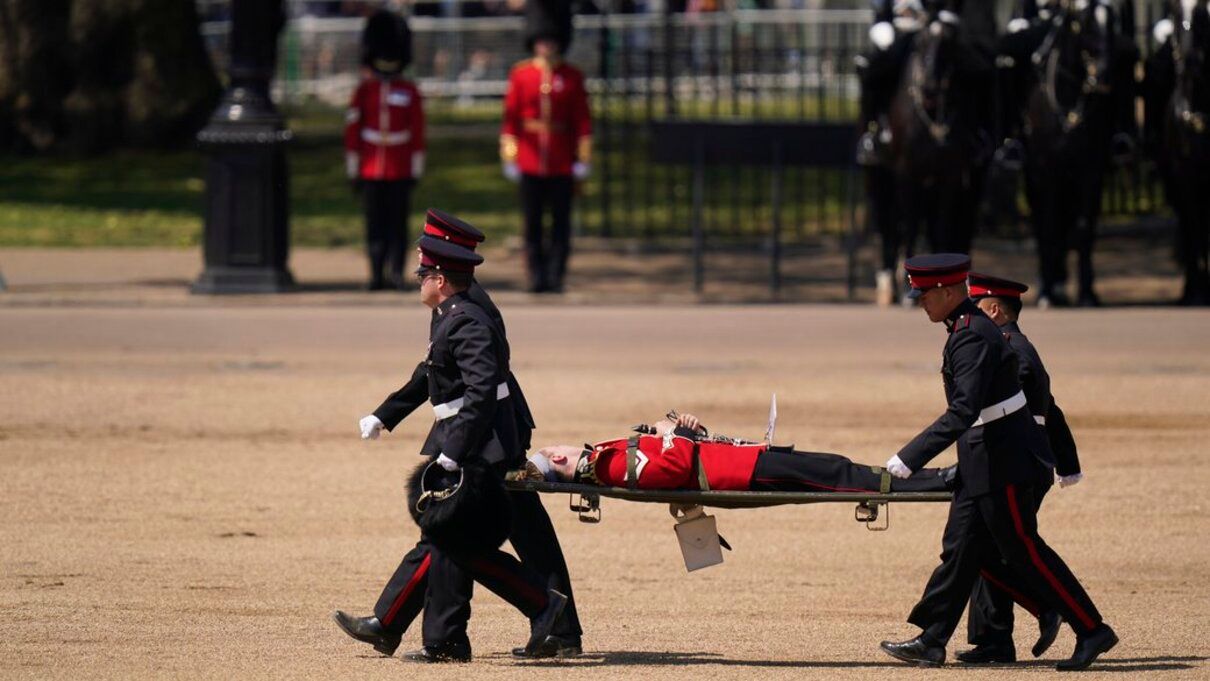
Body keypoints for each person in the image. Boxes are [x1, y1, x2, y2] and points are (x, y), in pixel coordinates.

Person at [342, 209, 585, 660]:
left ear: (440, 277)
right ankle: (552, 625)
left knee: (450, 537)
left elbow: (480, 391)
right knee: (508, 534)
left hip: (481, 439)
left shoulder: (467, 316)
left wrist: (453, 453)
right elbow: (432, 370)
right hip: (481, 434)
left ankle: (440, 634)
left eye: (422, 272)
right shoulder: (453, 308)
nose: (417, 278)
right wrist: (386, 414)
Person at [879, 254, 1116, 671]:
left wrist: (908, 458)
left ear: (950, 292)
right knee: (961, 550)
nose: (919, 303)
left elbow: (964, 410)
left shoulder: (971, 335)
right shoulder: (964, 328)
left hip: (1003, 460)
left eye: (925, 295)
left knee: (1023, 550)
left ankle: (1091, 628)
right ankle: (933, 639)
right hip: (984, 457)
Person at [958, 272, 1084, 664]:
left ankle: (1054, 611)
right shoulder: (1012, 347)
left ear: (994, 310)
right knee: (990, 546)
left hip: (1014, 463)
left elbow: (1035, 412)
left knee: (1007, 549)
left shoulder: (1013, 351)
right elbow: (1053, 408)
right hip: (1016, 461)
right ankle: (993, 638)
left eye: (976, 308)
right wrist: (1066, 463)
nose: (970, 317)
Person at [524, 411, 956, 494]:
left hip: (736, 460)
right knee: (836, 473)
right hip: (738, 472)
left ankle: (932, 478)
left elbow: (678, 453)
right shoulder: (606, 463)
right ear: (559, 461)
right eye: (553, 449)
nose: (559, 446)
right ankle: (935, 480)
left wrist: (687, 431)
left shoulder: (603, 456)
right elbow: (673, 467)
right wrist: (674, 433)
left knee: (832, 467)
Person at [500, 0, 592, 293]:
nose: (546, 45)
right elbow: (511, 118)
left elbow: (582, 120)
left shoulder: (572, 76)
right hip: (529, 158)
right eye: (542, 40)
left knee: (560, 224)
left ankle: (556, 275)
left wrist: (583, 157)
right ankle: (536, 276)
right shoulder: (522, 74)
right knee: (533, 224)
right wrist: (510, 156)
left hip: (562, 159)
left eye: (551, 40)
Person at [344, 9, 425, 290]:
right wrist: (353, 166)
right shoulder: (364, 91)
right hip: (370, 165)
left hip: (399, 165)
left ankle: (395, 274)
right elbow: (354, 130)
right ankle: (376, 273)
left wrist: (416, 166)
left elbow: (417, 130)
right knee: (374, 224)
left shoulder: (409, 90)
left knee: (397, 225)